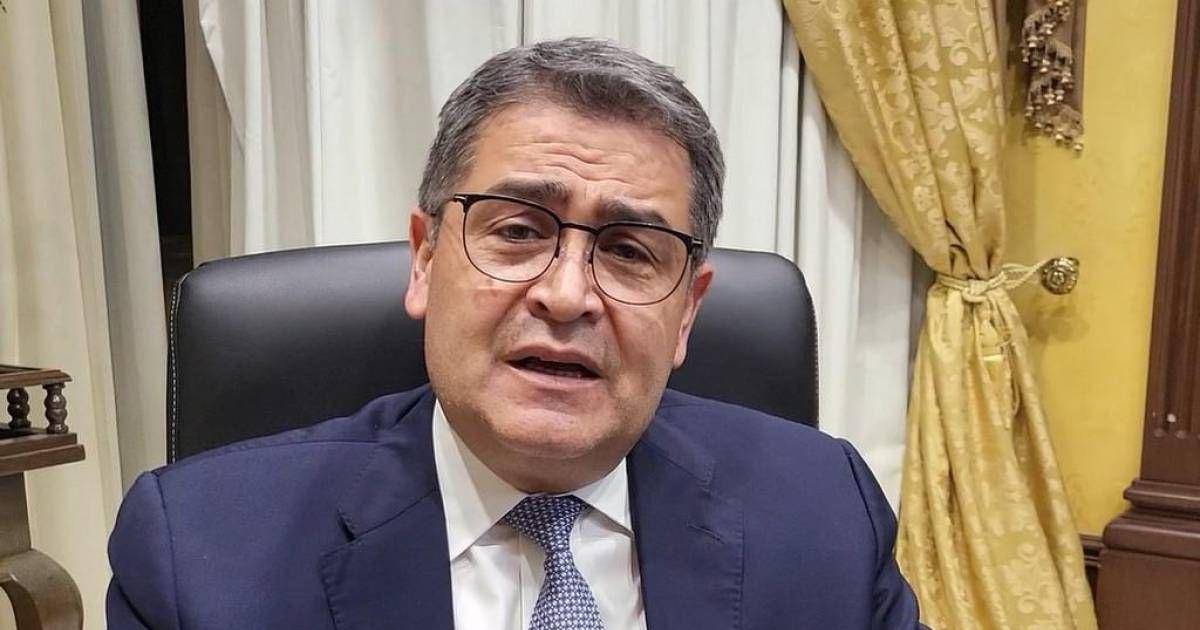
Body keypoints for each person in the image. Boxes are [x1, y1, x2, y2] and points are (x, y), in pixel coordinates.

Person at [107, 38, 921, 629]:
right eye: (519, 232)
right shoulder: (201, 551)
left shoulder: (825, 514)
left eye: (629, 251)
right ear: (425, 259)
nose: (566, 296)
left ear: (687, 312)